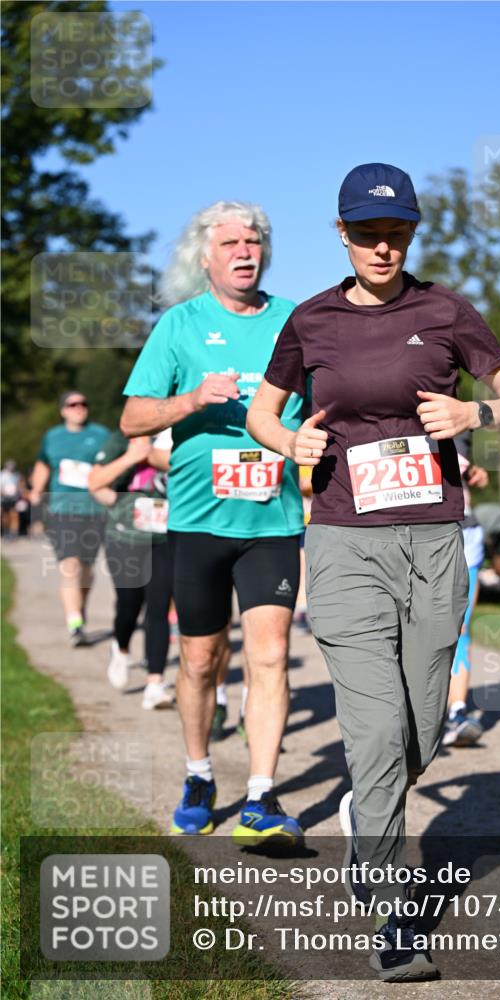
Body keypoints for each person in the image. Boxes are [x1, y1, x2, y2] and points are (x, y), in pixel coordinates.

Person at [247, 162, 500, 982]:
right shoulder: (311, 320)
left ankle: (364, 809)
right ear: (341, 234)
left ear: (411, 233)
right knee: (376, 732)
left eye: (396, 232)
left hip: (434, 542)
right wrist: (288, 443)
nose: (383, 246)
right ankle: (388, 906)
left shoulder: (444, 310)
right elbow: (261, 412)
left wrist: (471, 413)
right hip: (344, 542)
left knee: (419, 730)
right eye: (367, 233)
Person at [120, 200, 306, 843]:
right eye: (229, 243)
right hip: (198, 522)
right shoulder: (180, 325)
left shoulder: (293, 321)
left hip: (273, 521)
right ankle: (199, 771)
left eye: (253, 241)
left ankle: (262, 794)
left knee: (272, 654)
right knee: (200, 660)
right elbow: (132, 419)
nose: (244, 251)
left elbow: (326, 403)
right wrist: (193, 399)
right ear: (205, 258)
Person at [88, 427, 174, 709]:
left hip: (165, 535)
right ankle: (121, 647)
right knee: (129, 604)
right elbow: (95, 482)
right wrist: (132, 457)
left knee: (158, 608)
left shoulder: (181, 434)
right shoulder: (121, 438)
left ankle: (154, 684)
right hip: (124, 536)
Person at [30, 392, 109, 645]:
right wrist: (36, 490)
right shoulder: (52, 436)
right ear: (63, 410)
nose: (79, 408)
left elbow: (112, 466)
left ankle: (79, 609)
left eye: (83, 404)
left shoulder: (100, 435)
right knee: (70, 565)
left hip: (94, 510)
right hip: (61, 510)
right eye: (72, 404)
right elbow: (43, 464)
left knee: (86, 568)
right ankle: (74, 623)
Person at [442, 431, 488, 747]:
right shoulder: (404, 406)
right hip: (421, 533)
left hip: (466, 532)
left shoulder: (463, 417)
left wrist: (473, 471)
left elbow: (463, 464)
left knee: (460, 628)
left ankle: (457, 713)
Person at [1, 460, 22, 537]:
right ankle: (5, 531)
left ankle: (13, 533)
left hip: (14, 499)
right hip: (4, 499)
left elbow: (19, 486)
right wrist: (4, 492)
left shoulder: (16, 475)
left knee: (14, 515)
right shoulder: (2, 475)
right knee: (5, 516)